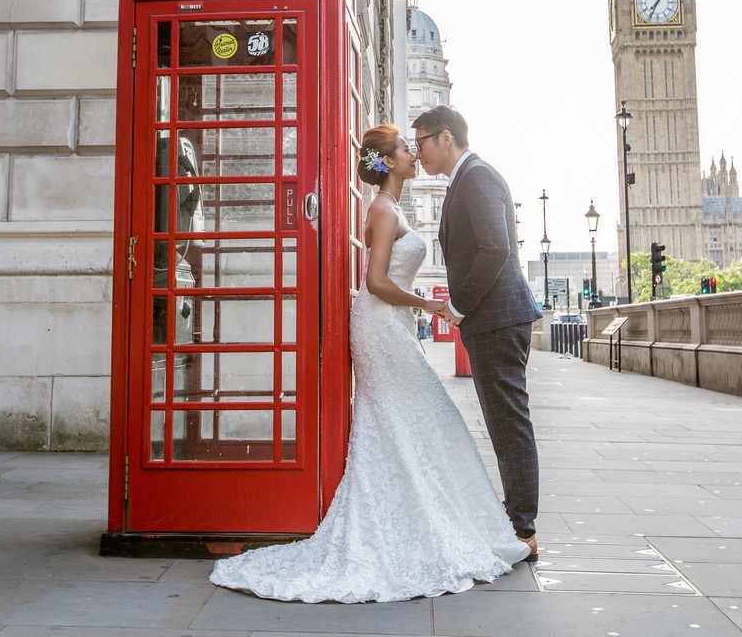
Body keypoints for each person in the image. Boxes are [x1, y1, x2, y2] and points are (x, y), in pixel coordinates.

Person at [209, 124, 531, 603]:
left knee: (409, 423)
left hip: (391, 326)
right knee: (424, 418)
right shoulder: (382, 207)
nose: (414, 153)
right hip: (381, 324)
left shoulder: (392, 206)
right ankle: (423, 523)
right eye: (406, 148)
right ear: (388, 161)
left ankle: (421, 517)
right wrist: (428, 305)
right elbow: (376, 281)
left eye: (415, 145)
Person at [411, 106, 542, 559]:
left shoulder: (478, 176)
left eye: (422, 141)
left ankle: (522, 528)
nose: (418, 151)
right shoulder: (464, 179)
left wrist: (459, 305)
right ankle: (517, 519)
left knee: (509, 425)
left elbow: (495, 248)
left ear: (446, 138)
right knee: (504, 425)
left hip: (498, 318)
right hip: (493, 319)